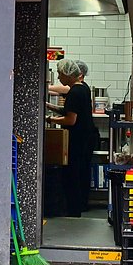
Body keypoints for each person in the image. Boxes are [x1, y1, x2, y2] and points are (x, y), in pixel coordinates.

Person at [46, 59, 98, 217]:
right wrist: (49, 106)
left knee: (72, 174)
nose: (60, 78)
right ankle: (79, 206)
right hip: (85, 138)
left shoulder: (74, 92)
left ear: (68, 74)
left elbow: (70, 120)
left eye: (61, 74)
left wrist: (49, 120)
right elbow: (70, 110)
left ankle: (73, 209)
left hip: (76, 140)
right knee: (80, 173)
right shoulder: (82, 89)